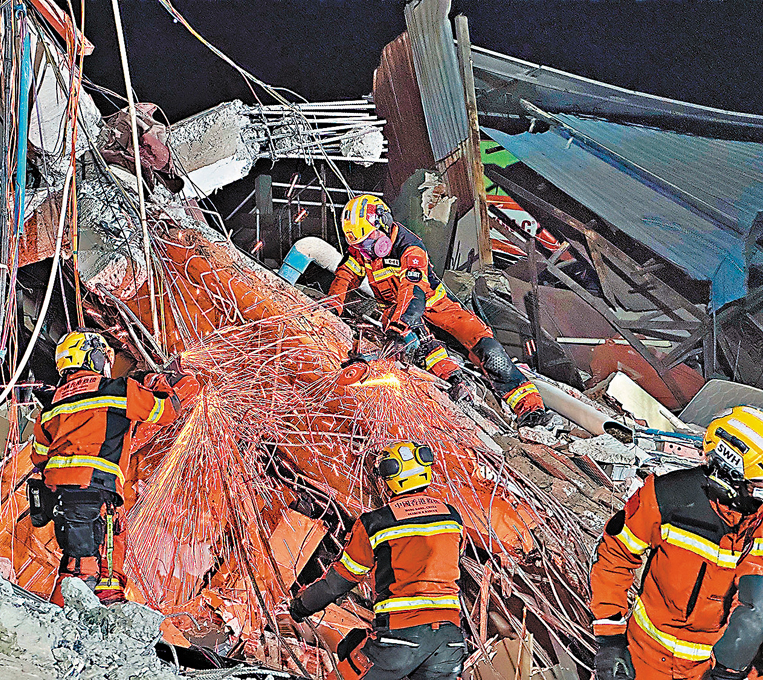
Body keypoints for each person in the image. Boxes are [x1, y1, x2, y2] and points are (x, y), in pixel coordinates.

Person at [329, 194, 551, 427]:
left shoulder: (410, 248)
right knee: (422, 347)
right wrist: (333, 306)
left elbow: (412, 290)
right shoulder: (363, 253)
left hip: (433, 304)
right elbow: (345, 276)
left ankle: (530, 408)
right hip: (395, 309)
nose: (366, 250)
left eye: (368, 241)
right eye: (359, 245)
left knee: (485, 344)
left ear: (383, 223)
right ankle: (454, 380)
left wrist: (399, 327)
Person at [590, 406, 763, 680]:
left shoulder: (758, 522)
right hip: (647, 662)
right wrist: (609, 640)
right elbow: (615, 556)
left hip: (722, 669)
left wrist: (731, 668)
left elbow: (755, 606)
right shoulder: (665, 498)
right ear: (727, 475)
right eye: (758, 485)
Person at [31, 330, 198, 606]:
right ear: (93, 356)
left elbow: (39, 456)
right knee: (80, 566)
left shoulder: (52, 406)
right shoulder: (118, 390)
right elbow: (166, 412)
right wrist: (166, 381)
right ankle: (58, 622)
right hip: (95, 489)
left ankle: (110, 599)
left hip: (67, 496)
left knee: (111, 539)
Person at [288, 441, 469, 680]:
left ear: (389, 479)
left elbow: (339, 582)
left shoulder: (375, 524)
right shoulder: (452, 517)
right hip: (450, 641)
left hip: (399, 639)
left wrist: (301, 606)